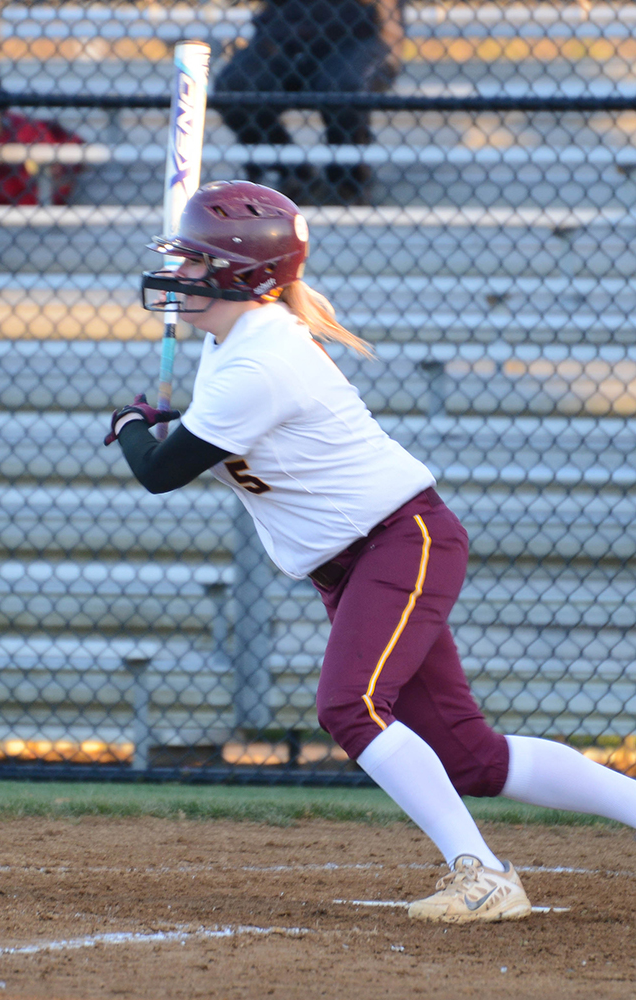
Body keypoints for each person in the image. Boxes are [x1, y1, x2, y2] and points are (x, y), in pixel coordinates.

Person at [106, 179, 636, 923]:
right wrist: (173, 418)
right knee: (471, 757)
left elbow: (159, 473)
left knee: (349, 706)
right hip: (361, 559)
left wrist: (132, 421)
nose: (180, 274)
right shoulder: (234, 342)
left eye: (196, 261)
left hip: (397, 542)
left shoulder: (258, 359)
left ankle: (481, 874)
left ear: (242, 272)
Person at [213, 0, 406, 205]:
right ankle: (291, 172)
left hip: (359, 35)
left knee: (341, 87)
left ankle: (347, 182)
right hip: (284, 33)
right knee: (234, 85)